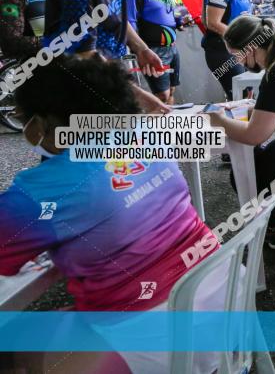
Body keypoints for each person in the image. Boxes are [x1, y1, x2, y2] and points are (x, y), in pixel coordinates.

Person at [0, 55, 224, 374]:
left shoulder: (43, 188)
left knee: (11, 340)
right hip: (220, 297)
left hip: (149, 338)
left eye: (26, 118)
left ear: (47, 122)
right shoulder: (149, 137)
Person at [208, 16, 275, 249]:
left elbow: (253, 135)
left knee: (245, 168)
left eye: (237, 54)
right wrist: (258, 108)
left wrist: (219, 120)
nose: (237, 61)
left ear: (252, 48)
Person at [126, 0, 191, 104]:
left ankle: (168, 127)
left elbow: (170, 15)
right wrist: (137, 50)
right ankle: (156, 127)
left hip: (172, 49)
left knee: (172, 90)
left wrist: (181, 22)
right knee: (162, 94)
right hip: (153, 50)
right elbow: (129, 22)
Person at [202, 0, 253, 99]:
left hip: (238, 48)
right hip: (222, 51)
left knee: (247, 94)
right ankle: (231, 124)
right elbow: (213, 23)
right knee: (240, 96)